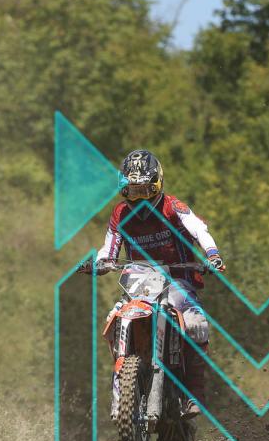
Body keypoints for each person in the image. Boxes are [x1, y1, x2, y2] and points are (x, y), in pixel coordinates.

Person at [85, 149, 225, 418]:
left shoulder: (173, 207)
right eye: (133, 191)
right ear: (124, 189)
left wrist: (212, 255)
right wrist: (100, 263)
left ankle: (193, 394)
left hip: (178, 280)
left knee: (195, 324)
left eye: (144, 190)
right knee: (113, 318)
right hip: (139, 283)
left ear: (156, 184)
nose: (139, 198)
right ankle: (123, 385)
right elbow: (109, 248)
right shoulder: (120, 214)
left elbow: (199, 229)